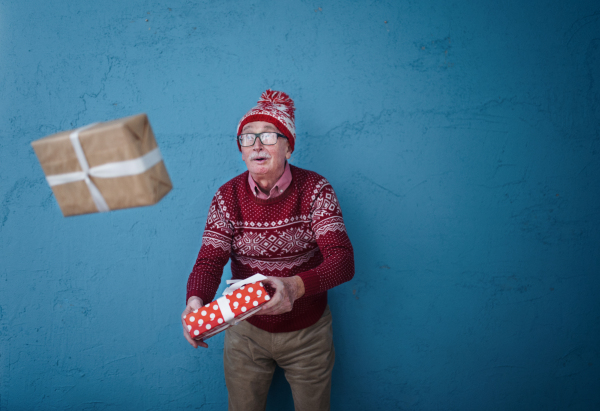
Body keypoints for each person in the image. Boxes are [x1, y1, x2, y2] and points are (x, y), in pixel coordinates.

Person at [182, 89, 354, 411]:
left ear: (288, 146)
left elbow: (343, 261)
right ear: (242, 151)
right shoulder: (227, 197)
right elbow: (209, 260)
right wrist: (196, 301)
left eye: (268, 136)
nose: (257, 145)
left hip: (308, 333)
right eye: (247, 138)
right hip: (245, 333)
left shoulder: (317, 190)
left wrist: (293, 286)